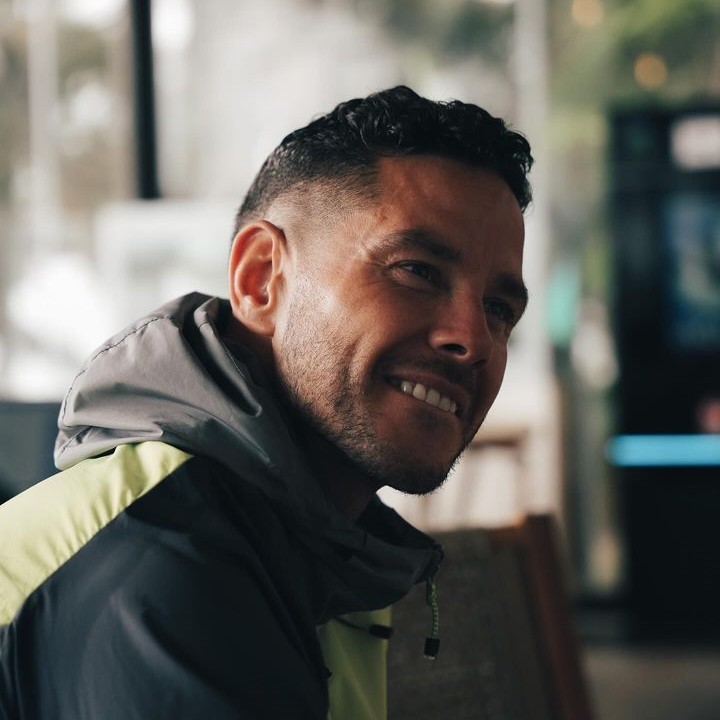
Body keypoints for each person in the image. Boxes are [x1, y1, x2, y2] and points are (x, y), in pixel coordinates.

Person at [0, 85, 532, 719]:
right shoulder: (165, 562)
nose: (471, 339)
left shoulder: (317, 543)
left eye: (498, 309)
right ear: (261, 279)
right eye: (416, 270)